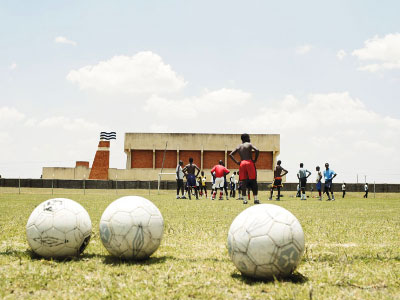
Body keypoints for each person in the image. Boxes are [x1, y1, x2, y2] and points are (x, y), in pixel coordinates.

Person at [229, 133, 260, 204]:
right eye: (249, 137)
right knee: (253, 181)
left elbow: (230, 154)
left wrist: (237, 162)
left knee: (243, 182)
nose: (249, 139)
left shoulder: (239, 146)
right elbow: (257, 150)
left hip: (242, 164)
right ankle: (255, 199)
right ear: (246, 138)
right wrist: (255, 159)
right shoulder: (249, 144)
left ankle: (245, 200)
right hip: (249, 162)